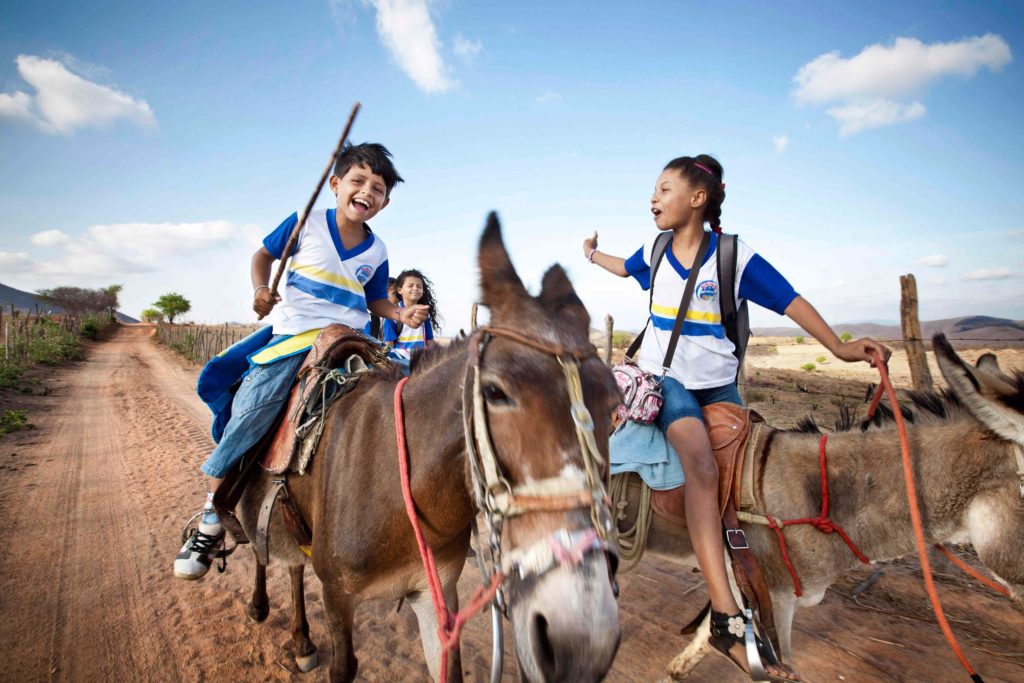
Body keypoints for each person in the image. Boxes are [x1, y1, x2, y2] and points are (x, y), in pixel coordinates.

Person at [583, 154, 890, 681]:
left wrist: (839, 349)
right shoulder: (654, 251)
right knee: (701, 467)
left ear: (698, 198)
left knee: (758, 474)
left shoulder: (733, 256)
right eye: (653, 191)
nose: (652, 199)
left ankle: (764, 569)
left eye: (663, 189)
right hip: (667, 382)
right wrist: (592, 256)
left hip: (722, 387)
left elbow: (789, 301)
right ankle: (726, 614)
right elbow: (624, 267)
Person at [174, 143, 429, 580]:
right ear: (335, 185)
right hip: (295, 338)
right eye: (358, 180)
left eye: (379, 188)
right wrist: (259, 289)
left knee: (414, 398)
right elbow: (262, 257)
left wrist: (399, 314)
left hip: (352, 339)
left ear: (384, 203)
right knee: (254, 410)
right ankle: (210, 518)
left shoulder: (377, 249)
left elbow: (373, 301)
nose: (367, 191)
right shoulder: (305, 221)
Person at [382, 269, 441, 358]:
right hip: (401, 364)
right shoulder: (392, 314)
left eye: (419, 286)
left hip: (421, 363)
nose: (415, 288)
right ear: (400, 290)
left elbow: (429, 341)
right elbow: (389, 344)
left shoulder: (425, 313)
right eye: (410, 286)